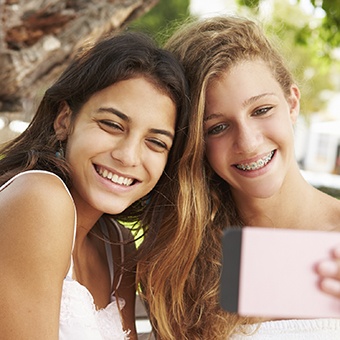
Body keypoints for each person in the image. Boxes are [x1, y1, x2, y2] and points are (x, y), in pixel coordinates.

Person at [139, 15, 340, 339]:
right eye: (217, 127)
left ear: (292, 103)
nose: (247, 142)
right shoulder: (185, 260)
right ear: (195, 143)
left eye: (261, 110)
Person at [0, 30, 190, 339]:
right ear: (64, 120)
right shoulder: (39, 198)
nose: (128, 156)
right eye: (112, 125)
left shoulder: (119, 247)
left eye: (156, 142)